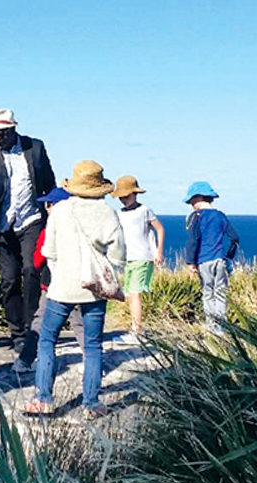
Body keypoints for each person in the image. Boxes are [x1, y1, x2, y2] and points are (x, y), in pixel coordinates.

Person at [24, 160, 125, 419]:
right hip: (94, 289)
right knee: (92, 345)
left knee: (47, 340)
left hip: (61, 287)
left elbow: (49, 252)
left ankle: (43, 399)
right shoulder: (108, 213)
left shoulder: (60, 211)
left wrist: (60, 275)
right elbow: (118, 256)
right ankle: (91, 403)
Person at [0, 109, 56, 355]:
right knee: (9, 279)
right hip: (2, 224)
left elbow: (48, 181)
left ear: (13, 130)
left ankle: (32, 329)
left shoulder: (35, 148)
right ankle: (17, 334)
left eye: (0, 134)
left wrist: (53, 205)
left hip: (31, 218)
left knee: (32, 270)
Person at [12, 188, 85, 374]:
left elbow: (37, 261)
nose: (46, 207)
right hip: (77, 284)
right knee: (79, 323)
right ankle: (93, 363)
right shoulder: (80, 229)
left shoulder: (48, 231)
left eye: (49, 203)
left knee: (41, 323)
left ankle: (25, 362)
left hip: (52, 285)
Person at [112, 176, 165, 344]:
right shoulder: (119, 214)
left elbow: (159, 229)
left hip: (143, 256)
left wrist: (158, 251)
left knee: (135, 294)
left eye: (126, 196)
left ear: (135, 193)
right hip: (129, 258)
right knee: (130, 294)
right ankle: (135, 329)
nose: (123, 199)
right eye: (121, 196)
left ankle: (136, 332)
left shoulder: (144, 211)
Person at [184, 181, 239, 334]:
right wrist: (228, 257)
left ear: (199, 198)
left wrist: (190, 262)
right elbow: (234, 238)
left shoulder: (197, 217)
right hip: (220, 260)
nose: (191, 204)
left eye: (192, 201)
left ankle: (211, 326)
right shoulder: (221, 216)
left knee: (208, 293)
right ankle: (222, 327)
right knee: (221, 293)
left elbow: (193, 240)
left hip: (204, 261)